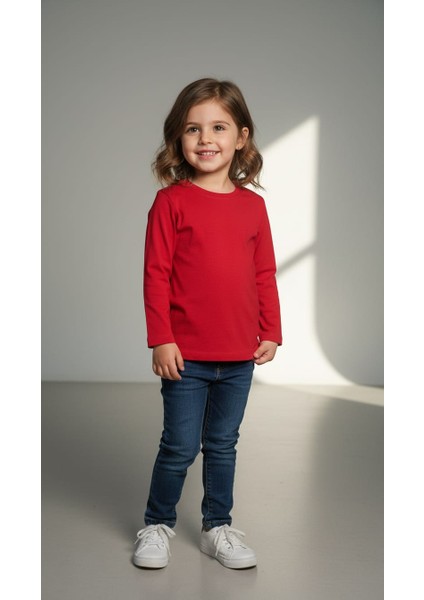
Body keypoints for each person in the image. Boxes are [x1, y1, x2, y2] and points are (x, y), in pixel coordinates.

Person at [133, 78, 282, 570]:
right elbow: (156, 275)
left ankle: (218, 527)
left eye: (218, 127)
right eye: (193, 129)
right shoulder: (171, 202)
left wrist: (271, 330)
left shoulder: (253, 206)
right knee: (178, 446)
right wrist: (161, 339)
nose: (205, 138)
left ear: (241, 137)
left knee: (222, 445)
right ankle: (157, 524)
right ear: (178, 138)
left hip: (239, 355)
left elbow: (263, 273)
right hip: (186, 357)